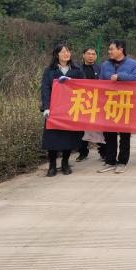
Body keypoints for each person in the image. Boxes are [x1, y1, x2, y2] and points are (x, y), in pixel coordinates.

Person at [97, 39, 136, 174]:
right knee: (109, 135)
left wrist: (120, 76)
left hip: (126, 104)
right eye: (109, 49)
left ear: (120, 49)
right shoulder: (105, 65)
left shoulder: (133, 64)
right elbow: (100, 82)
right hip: (109, 104)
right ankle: (110, 161)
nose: (109, 51)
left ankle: (122, 161)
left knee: (124, 135)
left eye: (112, 49)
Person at [40, 44, 85, 177]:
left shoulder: (77, 70)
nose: (66, 54)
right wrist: (46, 107)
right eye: (63, 52)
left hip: (71, 109)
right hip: (55, 109)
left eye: (68, 51)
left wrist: (73, 82)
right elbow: (45, 89)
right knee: (52, 138)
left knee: (69, 137)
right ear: (56, 55)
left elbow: (84, 86)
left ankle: (65, 163)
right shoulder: (49, 71)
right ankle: (52, 165)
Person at [76, 47, 102, 162]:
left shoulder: (100, 68)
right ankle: (82, 152)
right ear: (83, 55)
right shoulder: (78, 69)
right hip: (83, 102)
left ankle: (103, 152)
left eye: (93, 54)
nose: (91, 56)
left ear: (96, 56)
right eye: (88, 53)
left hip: (99, 102)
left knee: (100, 127)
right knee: (82, 128)